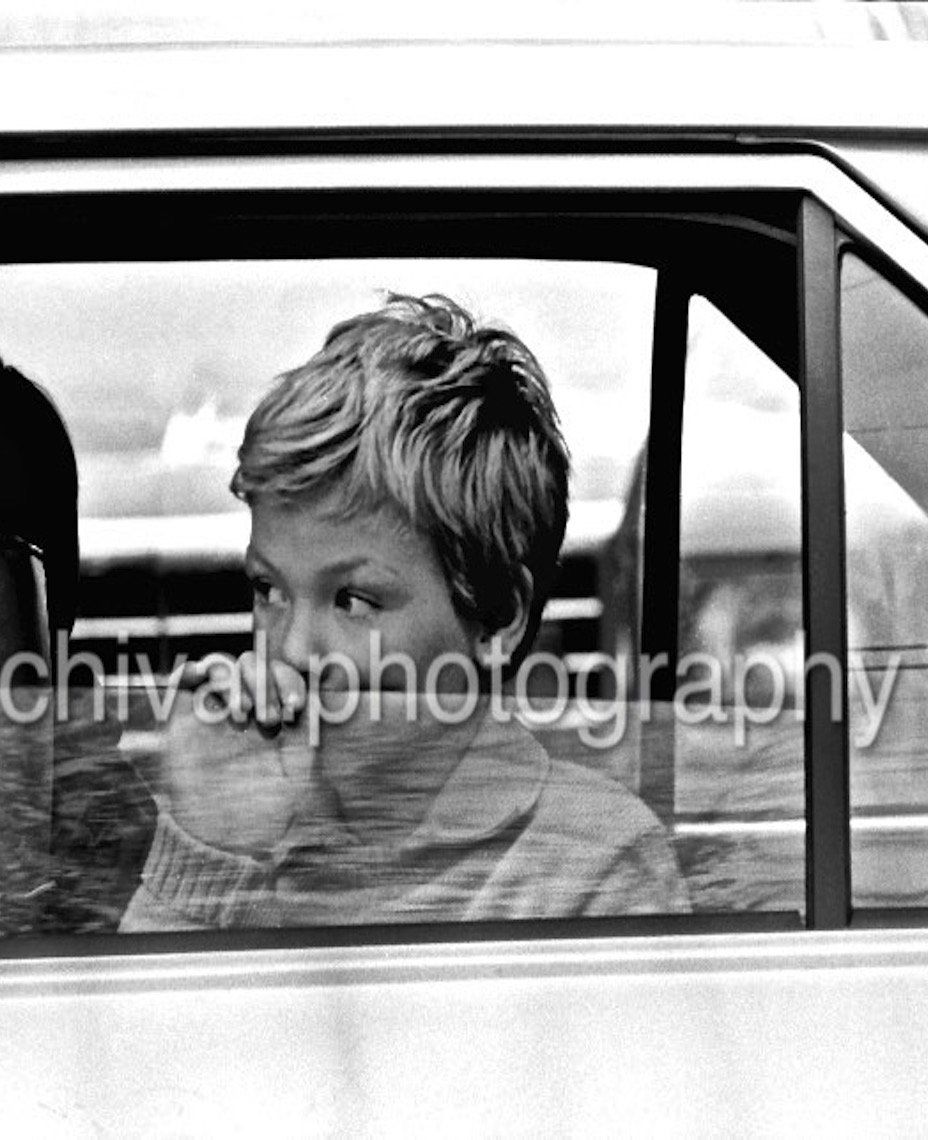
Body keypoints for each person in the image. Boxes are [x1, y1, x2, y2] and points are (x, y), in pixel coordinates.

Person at [120, 294, 689, 931]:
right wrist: (207, 850)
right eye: (269, 590)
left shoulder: (593, 864)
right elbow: (140, 1034)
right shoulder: (247, 827)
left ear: (497, 617)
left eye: (354, 601)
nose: (291, 651)